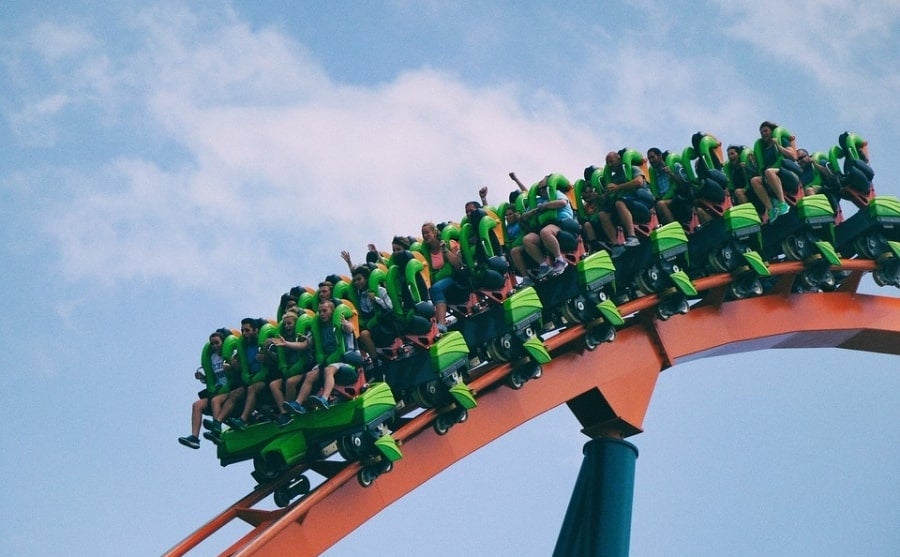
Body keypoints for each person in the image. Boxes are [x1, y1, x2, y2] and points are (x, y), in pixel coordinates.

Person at [284, 299, 356, 412]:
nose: (321, 314)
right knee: (311, 375)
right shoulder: (318, 328)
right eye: (320, 311)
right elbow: (304, 345)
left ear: (332, 312)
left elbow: (349, 329)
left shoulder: (340, 322)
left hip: (345, 361)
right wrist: (286, 343)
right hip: (327, 361)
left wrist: (345, 324)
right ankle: (298, 404)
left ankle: (324, 398)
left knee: (329, 370)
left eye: (324, 311)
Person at [178, 331, 240, 448]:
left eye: (217, 343)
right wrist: (203, 378)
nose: (214, 346)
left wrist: (231, 367)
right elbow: (215, 378)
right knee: (197, 405)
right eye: (212, 344)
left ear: (224, 342)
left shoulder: (233, 354)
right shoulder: (213, 358)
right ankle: (194, 438)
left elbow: (238, 372)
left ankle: (217, 430)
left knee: (215, 401)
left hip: (231, 389)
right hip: (218, 389)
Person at [512, 175, 578, 279]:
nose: (542, 191)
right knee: (527, 239)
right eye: (540, 189)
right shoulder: (538, 201)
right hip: (545, 226)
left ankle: (560, 259)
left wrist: (545, 206)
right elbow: (525, 216)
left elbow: (562, 202)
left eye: (544, 188)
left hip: (561, 223)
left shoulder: (556, 193)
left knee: (545, 232)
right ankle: (544, 265)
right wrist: (532, 212)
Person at [596, 151, 654, 256]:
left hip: (642, 204)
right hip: (626, 207)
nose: (610, 165)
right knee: (602, 214)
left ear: (619, 159)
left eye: (611, 161)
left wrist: (618, 187)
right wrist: (598, 197)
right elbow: (606, 198)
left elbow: (639, 182)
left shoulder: (632, 169)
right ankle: (616, 246)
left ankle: (633, 237)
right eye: (607, 163)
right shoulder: (613, 179)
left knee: (619, 203)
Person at [266, 310, 311, 426]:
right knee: (273, 385)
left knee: (290, 382)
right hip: (291, 370)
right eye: (285, 324)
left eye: (290, 323)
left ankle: (293, 410)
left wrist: (287, 344)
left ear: (296, 323)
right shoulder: (283, 338)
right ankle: (284, 413)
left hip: (305, 369)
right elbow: (279, 358)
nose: (287, 326)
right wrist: (269, 352)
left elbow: (303, 346)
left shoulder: (302, 335)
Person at [749, 120, 799, 222]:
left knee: (769, 172)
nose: (763, 134)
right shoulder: (763, 148)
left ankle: (783, 203)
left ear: (772, 131)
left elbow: (794, 156)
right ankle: (771, 209)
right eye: (761, 132)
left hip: (789, 174)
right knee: (755, 180)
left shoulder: (782, 140)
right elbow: (760, 168)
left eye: (766, 131)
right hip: (772, 176)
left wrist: (778, 146)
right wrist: (753, 162)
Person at [226, 318, 269, 431]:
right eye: (242, 331)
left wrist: (266, 358)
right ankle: (218, 423)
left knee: (252, 389)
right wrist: (234, 366)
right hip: (251, 379)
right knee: (235, 393)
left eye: (247, 330)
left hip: (267, 378)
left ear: (255, 330)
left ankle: (243, 420)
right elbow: (241, 368)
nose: (244, 334)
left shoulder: (266, 341)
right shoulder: (243, 347)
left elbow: (276, 360)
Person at [420, 221, 463, 332]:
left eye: (427, 233)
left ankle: (442, 324)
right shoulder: (426, 251)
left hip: (454, 277)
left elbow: (458, 265)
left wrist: (445, 250)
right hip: (439, 279)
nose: (425, 236)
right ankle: (430, 326)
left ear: (434, 232)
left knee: (436, 288)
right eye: (423, 233)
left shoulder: (449, 243)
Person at [348, 264, 393, 358]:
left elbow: (390, 307)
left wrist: (376, 299)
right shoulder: (360, 298)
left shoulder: (379, 290)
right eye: (355, 281)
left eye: (359, 279)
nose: (357, 283)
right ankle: (376, 362)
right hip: (373, 328)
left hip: (386, 324)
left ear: (366, 279)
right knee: (363, 335)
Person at [647, 147, 690, 225]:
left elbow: (684, 183)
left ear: (660, 156)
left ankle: (675, 230)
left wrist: (671, 173)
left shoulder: (674, 165)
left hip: (678, 197)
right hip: (663, 199)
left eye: (652, 157)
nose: (651, 161)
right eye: (649, 159)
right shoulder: (654, 175)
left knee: (661, 204)